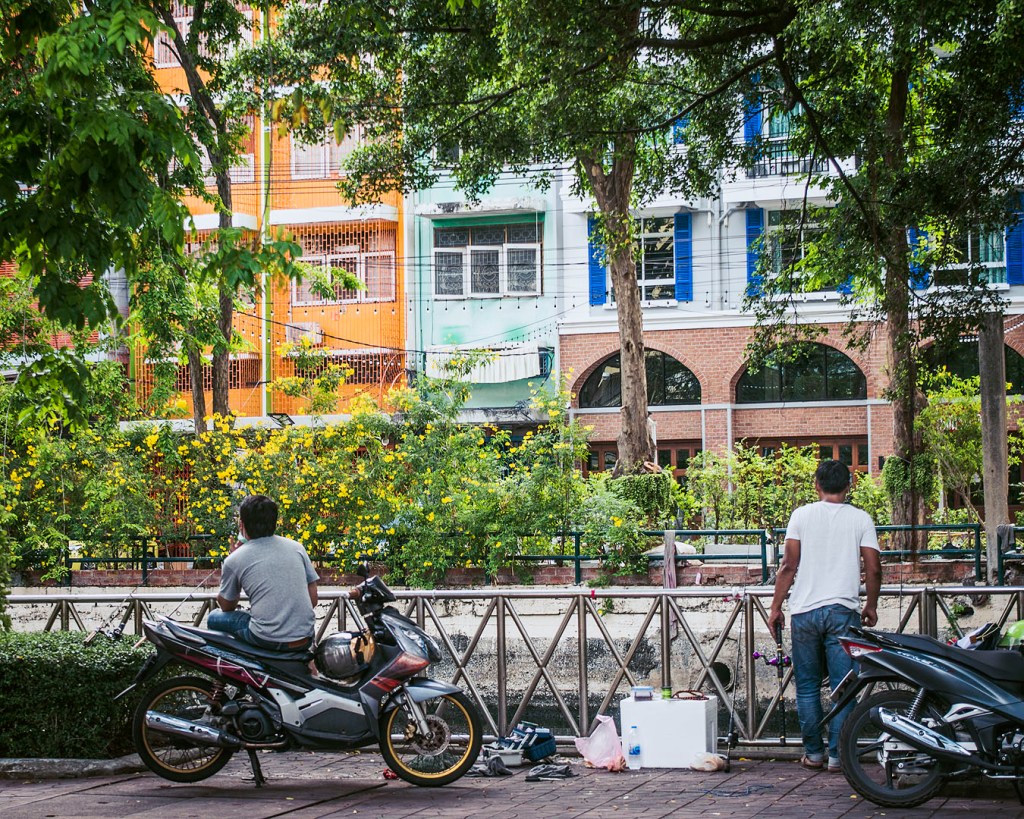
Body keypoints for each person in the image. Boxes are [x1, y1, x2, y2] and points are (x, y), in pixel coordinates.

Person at [768, 460, 882, 774]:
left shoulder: (801, 516)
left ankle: (814, 754)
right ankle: (837, 756)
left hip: (804, 611)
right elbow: (873, 568)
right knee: (844, 687)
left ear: (816, 485)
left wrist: (776, 607)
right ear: (850, 485)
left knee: (806, 686)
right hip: (844, 613)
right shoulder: (861, 519)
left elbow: (788, 567)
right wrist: (870, 605)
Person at [208, 494, 319, 651]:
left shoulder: (235, 559)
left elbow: (226, 606)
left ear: (241, 524)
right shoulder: (297, 548)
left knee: (213, 618)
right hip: (305, 637)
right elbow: (313, 600)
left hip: (266, 638)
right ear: (275, 522)